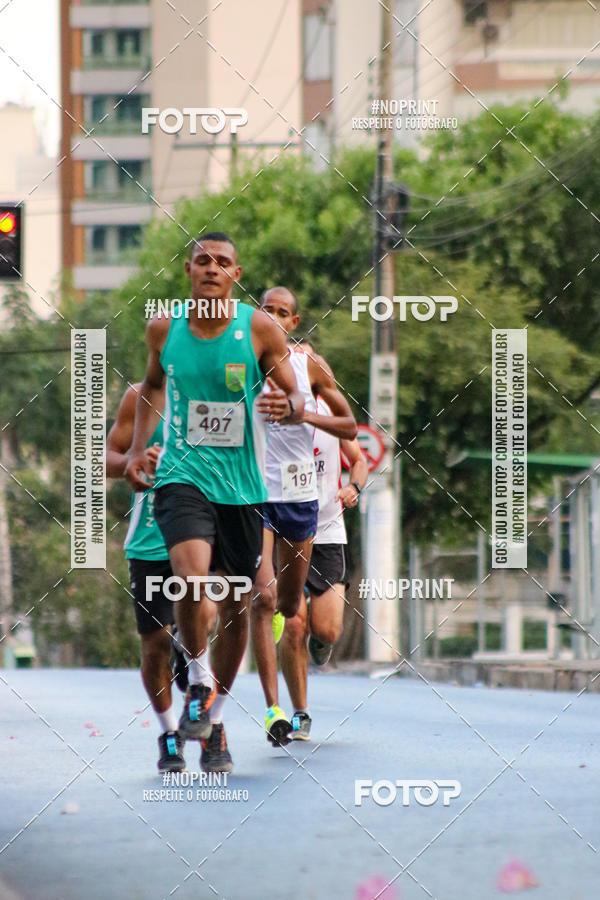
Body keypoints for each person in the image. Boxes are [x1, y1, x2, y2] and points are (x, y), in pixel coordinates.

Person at [125, 234, 304, 774]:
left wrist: (287, 403)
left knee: (235, 604)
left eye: (222, 262)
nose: (211, 268)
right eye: (202, 260)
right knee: (190, 576)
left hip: (244, 488)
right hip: (183, 478)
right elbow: (153, 387)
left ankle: (215, 713)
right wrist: (137, 449)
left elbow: (295, 396)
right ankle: (198, 683)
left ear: (235, 273)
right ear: (188, 270)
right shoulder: (165, 329)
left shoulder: (259, 329)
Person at [251, 288, 358, 747]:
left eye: (282, 313)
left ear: (293, 324)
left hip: (304, 500)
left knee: (306, 616)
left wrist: (305, 416)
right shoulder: (238, 364)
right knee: (266, 601)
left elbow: (351, 429)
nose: (273, 318)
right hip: (253, 493)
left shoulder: (307, 369)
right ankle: (281, 711)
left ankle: (311, 641)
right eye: (266, 311)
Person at [278, 341, 368, 740]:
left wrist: (355, 486)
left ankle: (322, 644)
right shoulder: (273, 410)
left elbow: (360, 459)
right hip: (285, 529)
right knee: (293, 624)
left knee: (326, 630)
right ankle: (300, 712)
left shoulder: (332, 412)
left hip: (328, 529)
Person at [107, 382, 187, 773]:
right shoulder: (138, 397)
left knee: (202, 622)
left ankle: (212, 718)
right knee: (155, 643)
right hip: (150, 540)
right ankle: (170, 732)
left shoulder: (224, 389)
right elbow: (107, 459)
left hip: (206, 531)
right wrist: (135, 462)